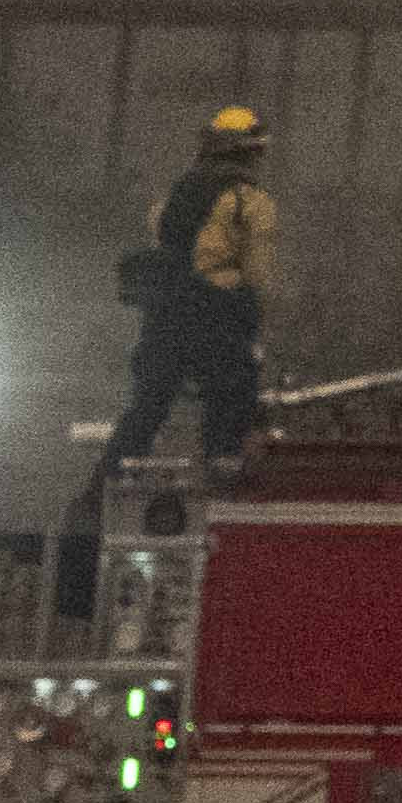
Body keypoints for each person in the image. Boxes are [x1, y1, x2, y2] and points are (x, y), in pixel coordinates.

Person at [85, 103, 276, 508]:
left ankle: (101, 490)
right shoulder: (249, 201)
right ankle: (221, 488)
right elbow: (253, 268)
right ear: (252, 154)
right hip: (219, 322)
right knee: (228, 407)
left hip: (167, 322)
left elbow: (166, 239)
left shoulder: (181, 191)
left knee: (147, 407)